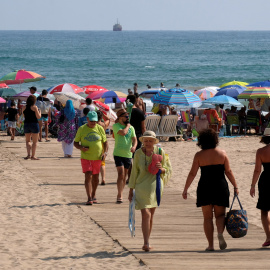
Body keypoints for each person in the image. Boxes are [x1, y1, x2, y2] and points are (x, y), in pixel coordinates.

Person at [182, 129, 238, 251]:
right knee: (220, 215)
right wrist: (235, 186)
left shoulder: (199, 155)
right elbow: (228, 171)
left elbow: (192, 173)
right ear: (215, 140)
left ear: (201, 141)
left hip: (205, 187)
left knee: (207, 218)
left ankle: (211, 245)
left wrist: (186, 188)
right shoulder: (222, 154)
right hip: (220, 186)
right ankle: (219, 233)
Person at [128, 131, 172, 252]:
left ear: (154, 142)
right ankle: (146, 243)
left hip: (155, 186)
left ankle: (147, 240)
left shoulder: (160, 152)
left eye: (150, 140)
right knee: (145, 214)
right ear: (142, 141)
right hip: (141, 186)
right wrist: (130, 190)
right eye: (146, 140)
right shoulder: (137, 153)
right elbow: (134, 172)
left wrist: (161, 169)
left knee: (151, 215)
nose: (148, 143)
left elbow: (168, 169)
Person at [74, 111, 108, 205]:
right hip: (86, 157)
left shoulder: (100, 128)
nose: (93, 123)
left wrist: (105, 153)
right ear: (87, 119)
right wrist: (81, 148)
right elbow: (76, 142)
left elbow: (105, 142)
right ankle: (89, 197)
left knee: (96, 177)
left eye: (95, 121)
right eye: (91, 121)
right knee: (88, 175)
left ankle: (93, 194)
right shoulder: (82, 129)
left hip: (97, 157)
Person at [250, 128, 270, 247]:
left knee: (264, 210)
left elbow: (257, 170)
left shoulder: (260, 151)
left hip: (266, 180)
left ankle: (268, 237)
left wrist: (252, 185)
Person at [113, 109, 137, 203]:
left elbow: (134, 139)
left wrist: (134, 146)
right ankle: (119, 194)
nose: (128, 118)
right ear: (120, 118)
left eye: (128, 116)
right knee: (121, 173)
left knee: (125, 175)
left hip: (128, 154)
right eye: (126, 116)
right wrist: (127, 126)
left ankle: (121, 192)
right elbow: (123, 133)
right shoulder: (116, 126)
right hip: (118, 153)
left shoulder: (132, 128)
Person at [23, 95, 41, 160]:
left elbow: (24, 116)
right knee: (35, 142)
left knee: (27, 141)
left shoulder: (24, 107)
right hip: (34, 124)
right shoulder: (34, 107)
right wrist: (40, 112)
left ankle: (28, 155)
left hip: (26, 124)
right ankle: (33, 156)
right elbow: (38, 117)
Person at [97, 110, 110, 185]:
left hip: (96, 143)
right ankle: (103, 179)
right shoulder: (103, 124)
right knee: (102, 163)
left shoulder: (93, 124)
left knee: (94, 161)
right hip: (103, 142)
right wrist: (103, 114)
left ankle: (95, 178)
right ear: (101, 117)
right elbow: (108, 119)